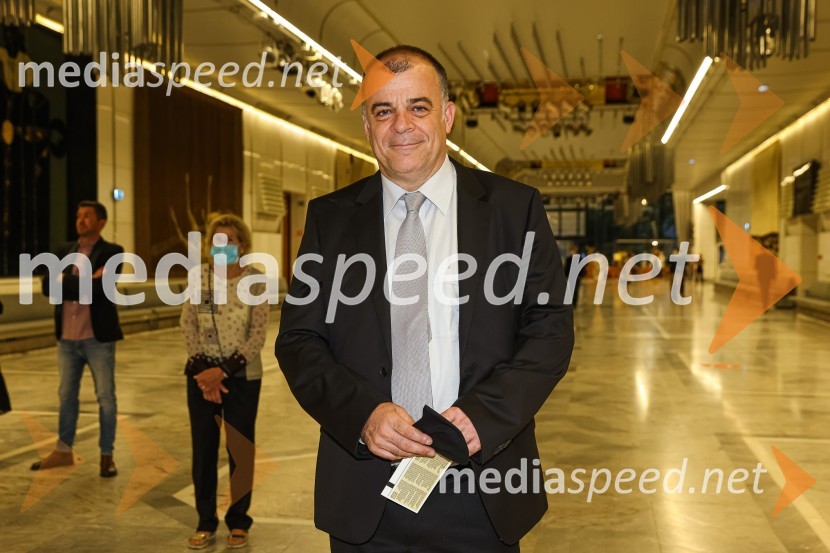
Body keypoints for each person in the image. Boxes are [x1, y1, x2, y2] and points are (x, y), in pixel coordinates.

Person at [276, 45, 574, 552]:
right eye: (382, 110)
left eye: (418, 106)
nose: (401, 125)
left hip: (481, 485)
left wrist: (486, 415)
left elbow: (549, 329)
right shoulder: (331, 220)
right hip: (365, 488)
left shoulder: (513, 209)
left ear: (448, 115)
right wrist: (363, 415)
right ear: (367, 127)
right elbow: (300, 340)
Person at [180, 213, 269, 550]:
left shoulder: (256, 281)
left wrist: (224, 372)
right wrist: (206, 372)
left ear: (241, 246)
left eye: (228, 240)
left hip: (242, 376)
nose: (222, 247)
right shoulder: (198, 278)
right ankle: (205, 521)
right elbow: (188, 325)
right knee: (202, 450)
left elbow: (257, 333)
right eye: (216, 241)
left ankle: (239, 520)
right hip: (201, 376)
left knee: (240, 451)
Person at [31, 201, 123, 477]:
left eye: (87, 216)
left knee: (106, 398)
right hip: (67, 340)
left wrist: (66, 281)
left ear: (101, 222)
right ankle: (63, 452)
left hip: (98, 339)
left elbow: (100, 289)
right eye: (79, 216)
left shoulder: (112, 252)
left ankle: (106, 455)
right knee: (66, 396)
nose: (81, 220)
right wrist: (84, 282)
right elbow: (48, 286)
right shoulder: (63, 250)